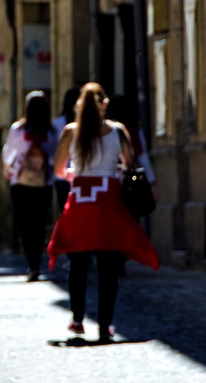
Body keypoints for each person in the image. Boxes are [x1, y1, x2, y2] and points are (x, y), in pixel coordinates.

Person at [47, 82, 160, 341]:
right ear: (105, 104)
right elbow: (130, 164)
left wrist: (76, 172)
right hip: (108, 201)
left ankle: (77, 319)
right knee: (108, 265)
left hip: (80, 201)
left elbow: (58, 172)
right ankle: (105, 325)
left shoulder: (70, 132)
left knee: (77, 262)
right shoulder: (117, 131)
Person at [2, 91, 57, 282]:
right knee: (39, 224)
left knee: (25, 226)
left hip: (21, 183)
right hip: (44, 183)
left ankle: (31, 265)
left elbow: (8, 154)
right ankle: (37, 263)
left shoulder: (19, 130)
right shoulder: (50, 132)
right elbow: (56, 158)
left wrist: (7, 169)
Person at [105, 94, 160, 204]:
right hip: (127, 180)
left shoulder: (105, 130)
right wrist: (152, 181)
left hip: (107, 180)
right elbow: (142, 156)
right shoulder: (134, 129)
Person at [51, 87, 81, 209]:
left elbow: (52, 149)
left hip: (62, 177)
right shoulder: (86, 126)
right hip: (79, 176)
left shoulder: (57, 124)